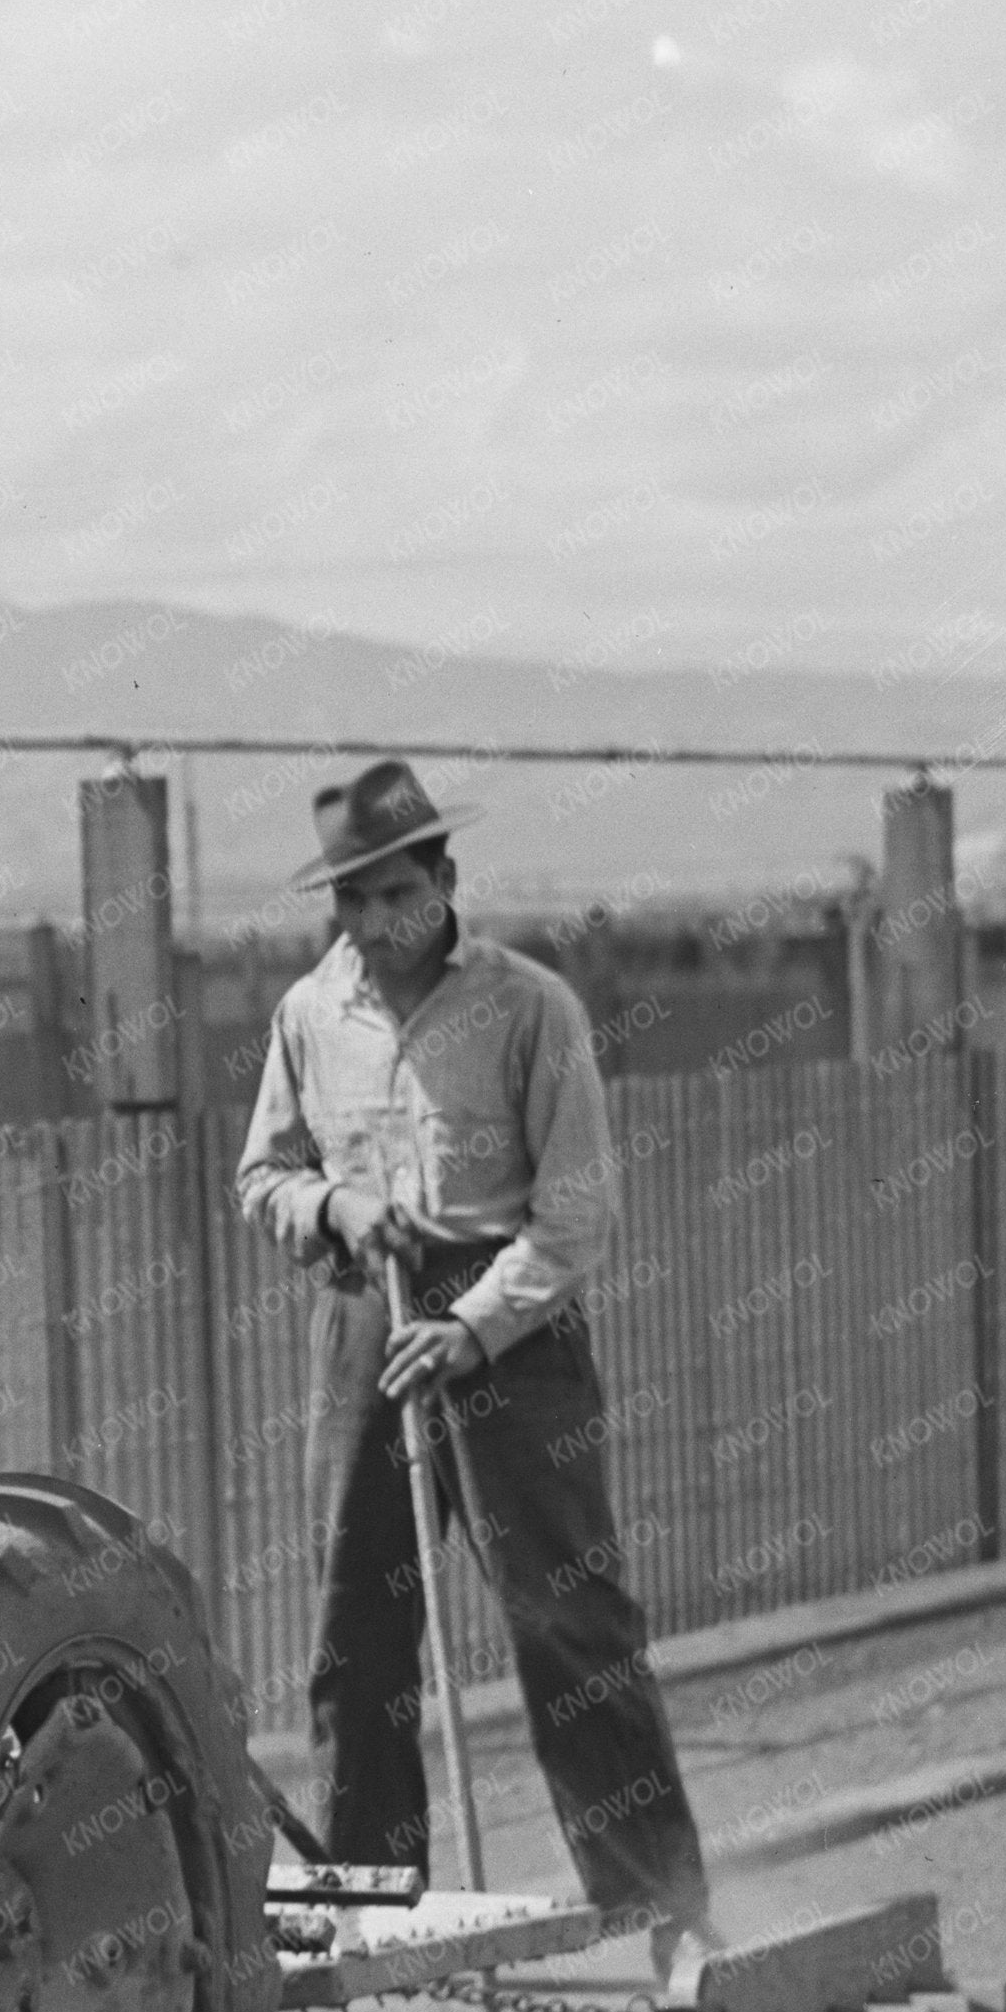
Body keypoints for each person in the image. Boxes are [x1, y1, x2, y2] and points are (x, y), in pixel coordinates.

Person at [234, 757, 715, 1951]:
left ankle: (658, 1908)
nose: (370, 921)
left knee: (566, 1619)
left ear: (446, 878)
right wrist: (337, 1213)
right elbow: (264, 1175)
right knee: (358, 1632)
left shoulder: (529, 1006)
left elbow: (577, 1212)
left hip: (506, 1331)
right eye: (348, 899)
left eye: (392, 891)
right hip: (362, 1322)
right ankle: (369, 1920)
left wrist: (472, 1325)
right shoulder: (310, 1014)